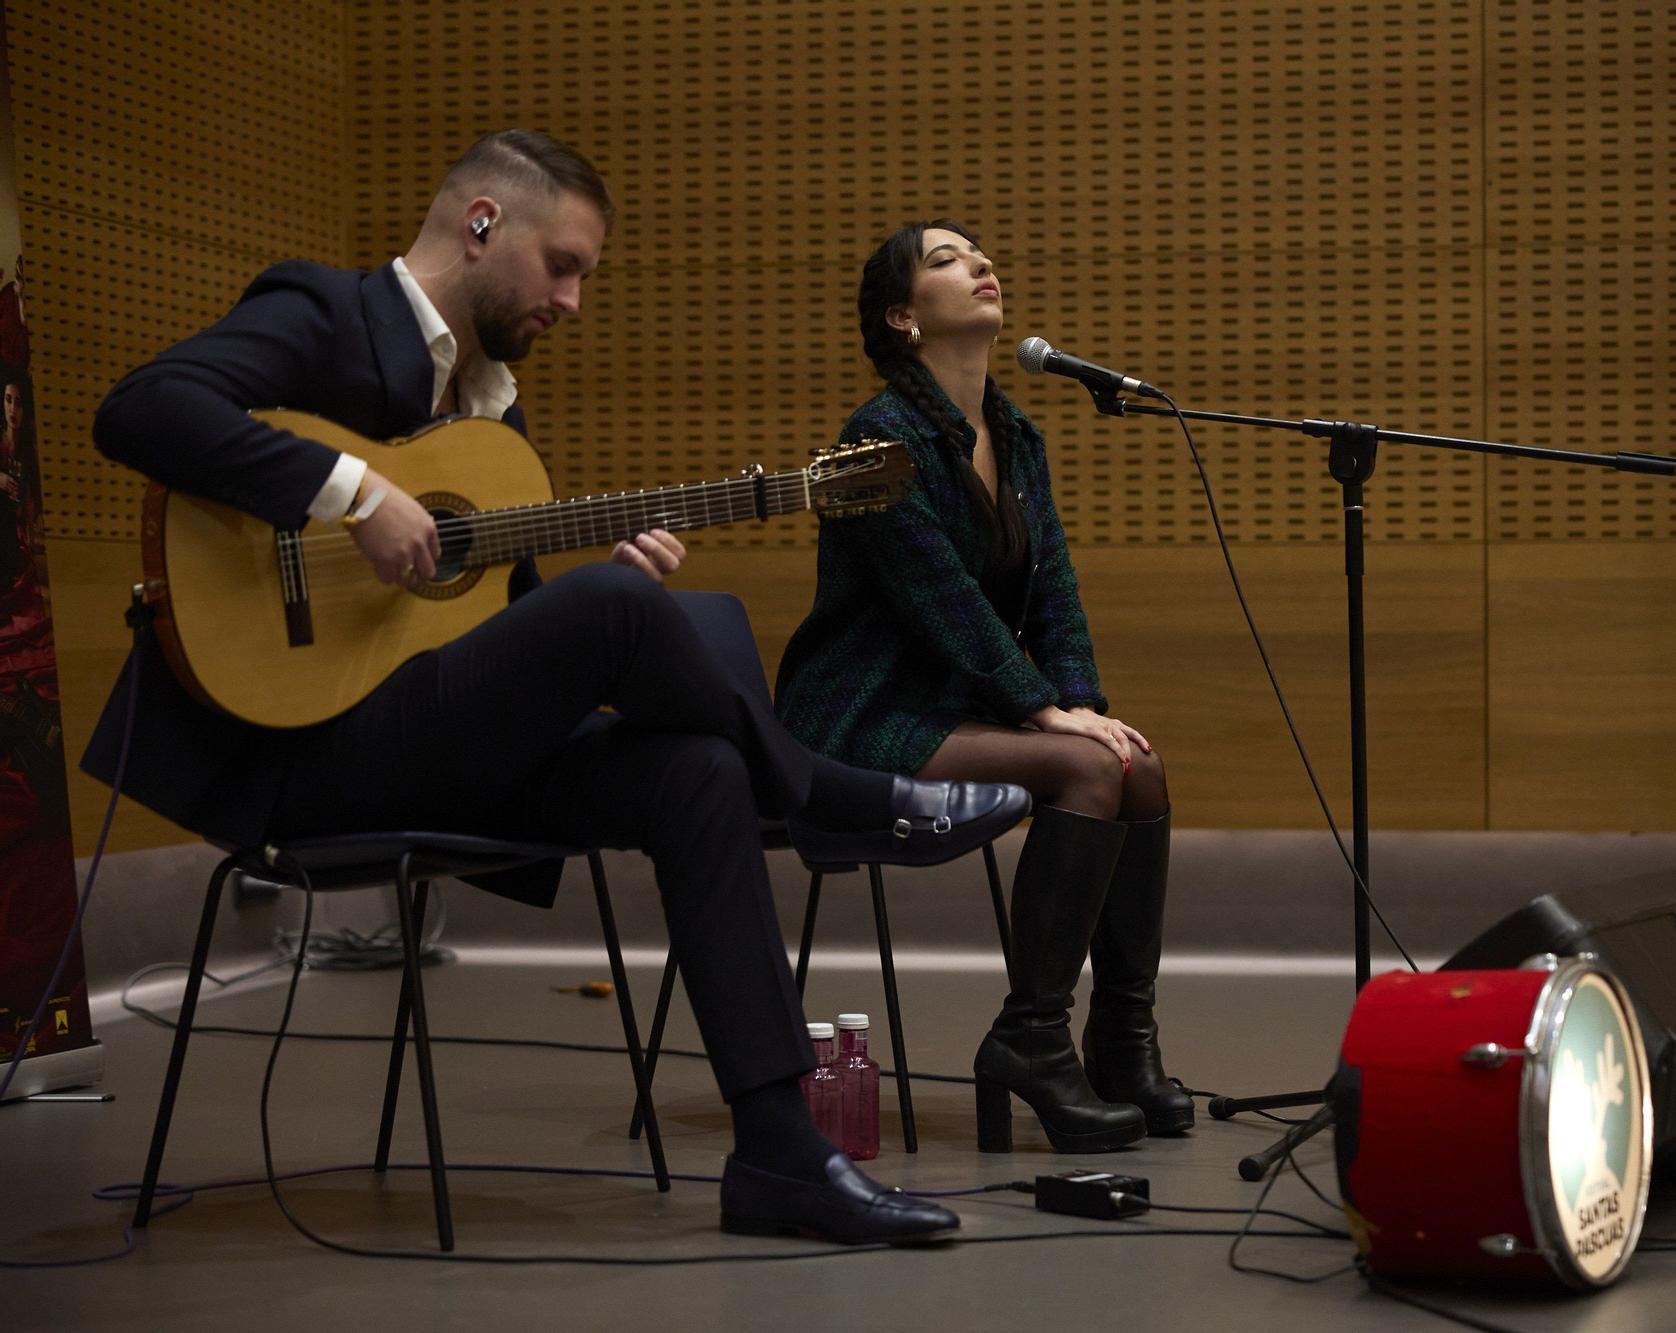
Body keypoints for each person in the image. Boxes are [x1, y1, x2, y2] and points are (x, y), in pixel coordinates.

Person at [80, 134, 1032, 1244]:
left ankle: (780, 1151)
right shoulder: (325, 313)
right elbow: (141, 408)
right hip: (299, 752)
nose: (573, 301)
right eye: (563, 265)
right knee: (621, 614)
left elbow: (500, 628)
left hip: (431, 746)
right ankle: (834, 795)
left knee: (695, 764)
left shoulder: (490, 413)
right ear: (483, 224)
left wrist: (601, 607)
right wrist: (350, 494)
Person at [775, 220, 1192, 1155]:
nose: (981, 266)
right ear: (903, 316)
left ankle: (1122, 1042)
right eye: (945, 260)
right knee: (1085, 773)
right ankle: (1031, 1040)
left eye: (978, 254)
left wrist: (1082, 704)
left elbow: (1057, 595)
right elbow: (942, 600)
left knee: (1140, 767)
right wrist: (1045, 711)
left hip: (952, 705)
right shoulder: (875, 438)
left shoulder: (1016, 434)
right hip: (860, 710)